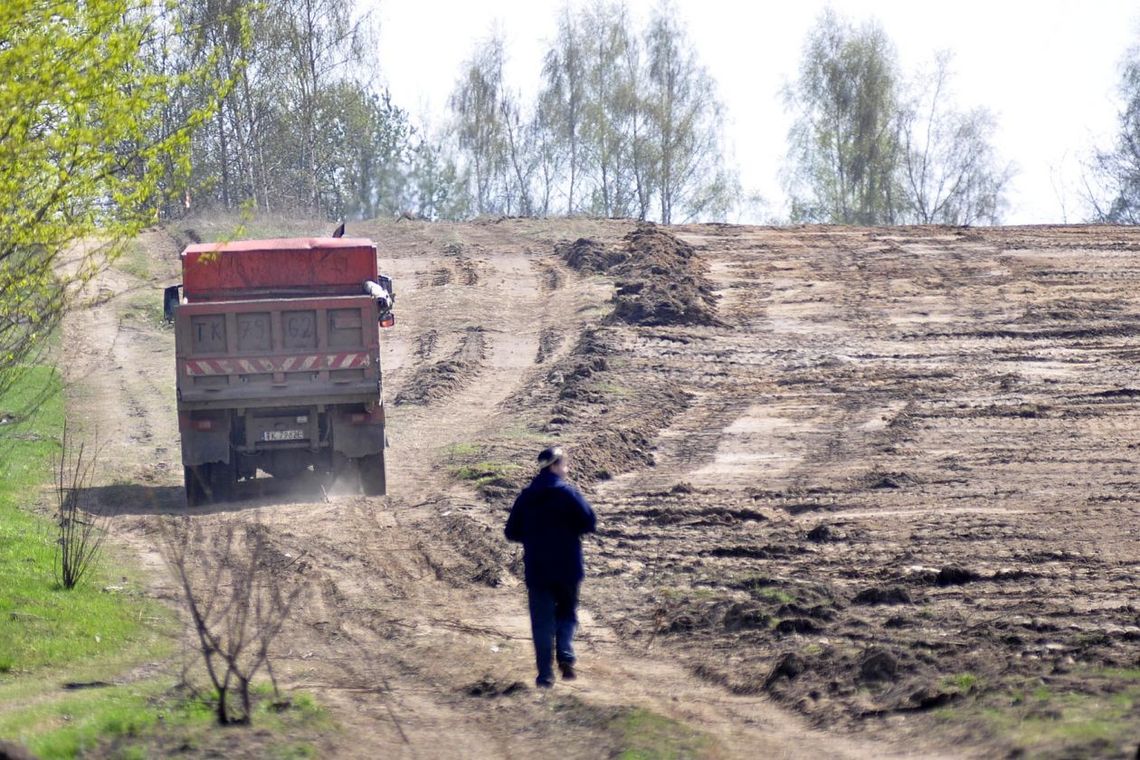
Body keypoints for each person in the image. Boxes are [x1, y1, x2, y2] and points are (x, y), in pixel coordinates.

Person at [504, 446, 596, 688]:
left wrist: (533, 537)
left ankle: (545, 676)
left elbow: (511, 532)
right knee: (567, 612)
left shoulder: (526, 496)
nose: (567, 469)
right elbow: (589, 521)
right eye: (565, 464)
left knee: (542, 623)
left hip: (538, 568)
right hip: (568, 566)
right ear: (554, 466)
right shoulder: (569, 493)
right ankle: (565, 651)